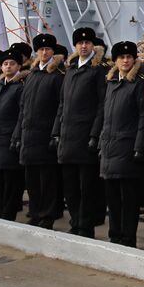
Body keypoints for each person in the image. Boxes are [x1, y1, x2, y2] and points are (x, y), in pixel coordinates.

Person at [54, 26, 107, 237]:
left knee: (87, 188)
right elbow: (62, 104)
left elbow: (102, 105)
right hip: (67, 138)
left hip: (85, 138)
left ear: (93, 45)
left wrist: (94, 134)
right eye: (80, 43)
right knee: (71, 187)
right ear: (75, 46)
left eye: (87, 43)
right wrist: (56, 131)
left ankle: (85, 226)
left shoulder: (98, 69)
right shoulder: (72, 69)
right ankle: (76, 222)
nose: (83, 46)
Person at [99, 40, 144, 247]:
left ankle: (128, 238)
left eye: (129, 57)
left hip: (128, 149)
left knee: (128, 200)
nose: (126, 60)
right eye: (121, 57)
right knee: (112, 198)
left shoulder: (139, 83)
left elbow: (143, 117)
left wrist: (139, 147)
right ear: (116, 60)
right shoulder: (111, 82)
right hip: (110, 149)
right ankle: (115, 234)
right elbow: (106, 117)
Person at [16, 34, 65, 228]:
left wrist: (55, 132)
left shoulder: (57, 75)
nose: (44, 53)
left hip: (46, 134)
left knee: (48, 179)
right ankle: (35, 211)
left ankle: (48, 214)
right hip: (29, 134)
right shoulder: (32, 75)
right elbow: (23, 106)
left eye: (48, 50)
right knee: (32, 178)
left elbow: (61, 106)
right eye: (41, 50)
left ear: (53, 51)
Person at [0, 48, 28, 221]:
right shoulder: (0, 86)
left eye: (12, 63)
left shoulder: (19, 87)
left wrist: (16, 137)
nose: (8, 66)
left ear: (19, 66)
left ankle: (7, 217)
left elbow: (21, 114)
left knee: (10, 183)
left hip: (9, 140)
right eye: (5, 63)